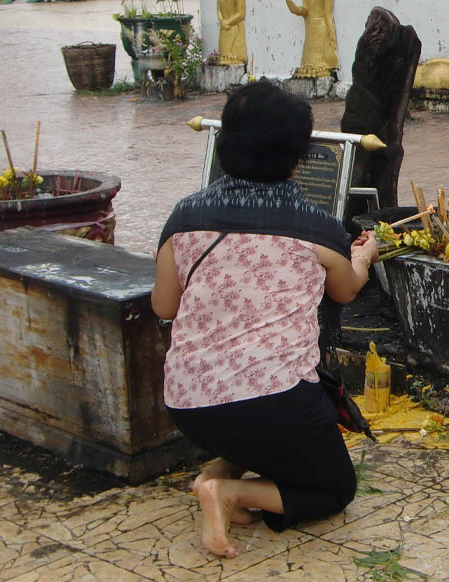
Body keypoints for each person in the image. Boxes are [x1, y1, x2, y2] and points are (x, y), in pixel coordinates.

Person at [151, 80, 379, 558]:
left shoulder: (184, 217)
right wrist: (365, 255)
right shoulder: (315, 227)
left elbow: (164, 307)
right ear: (297, 158)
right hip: (277, 404)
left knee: (250, 415)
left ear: (226, 145)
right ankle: (230, 492)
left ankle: (217, 471)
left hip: (189, 404)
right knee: (334, 489)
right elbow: (347, 288)